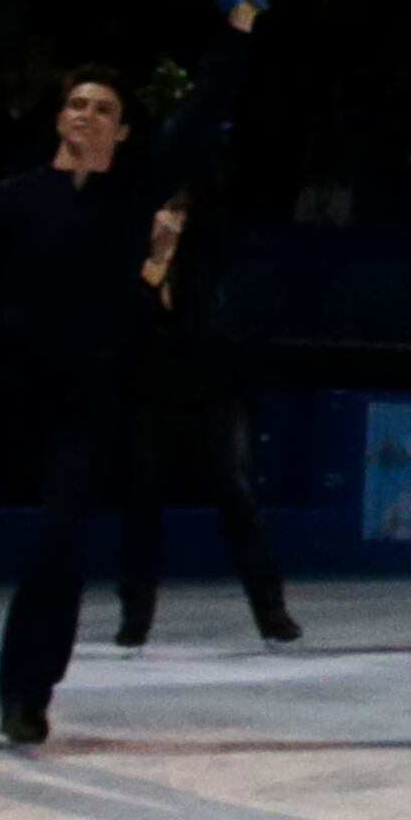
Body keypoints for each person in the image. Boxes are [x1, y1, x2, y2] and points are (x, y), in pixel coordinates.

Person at [0, 0, 264, 749]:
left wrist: (236, 28)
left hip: (89, 392)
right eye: (78, 104)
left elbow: (203, 115)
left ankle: (26, 694)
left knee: (62, 539)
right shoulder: (9, 201)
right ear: (58, 116)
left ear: (123, 128)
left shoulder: (136, 190)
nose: (88, 115)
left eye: (105, 108)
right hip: (7, 384)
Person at [114, 191, 301, 651]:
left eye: (180, 214)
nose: (171, 220)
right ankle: (135, 616)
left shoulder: (209, 264)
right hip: (152, 399)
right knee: (141, 506)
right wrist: (155, 259)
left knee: (238, 500)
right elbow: (129, 320)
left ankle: (271, 612)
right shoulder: (127, 260)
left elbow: (201, 317)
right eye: (166, 211)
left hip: (212, 398)